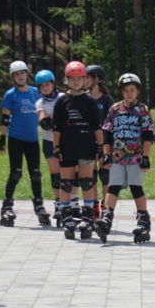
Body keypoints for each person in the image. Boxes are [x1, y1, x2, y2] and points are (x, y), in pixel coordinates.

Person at [94, 73, 154, 244]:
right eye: (126, 90)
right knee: (113, 187)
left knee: (136, 188)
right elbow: (106, 131)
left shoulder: (142, 110)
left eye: (132, 90)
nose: (129, 93)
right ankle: (107, 218)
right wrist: (106, 153)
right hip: (117, 156)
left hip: (135, 156)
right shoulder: (114, 109)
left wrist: (146, 157)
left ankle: (143, 221)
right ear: (121, 92)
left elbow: (148, 133)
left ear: (137, 91)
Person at [52, 61, 104, 240]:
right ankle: (66, 215)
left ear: (84, 80)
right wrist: (56, 147)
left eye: (79, 79)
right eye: (72, 79)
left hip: (86, 146)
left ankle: (88, 216)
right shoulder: (61, 101)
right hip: (67, 147)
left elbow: (96, 126)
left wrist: (100, 146)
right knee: (66, 182)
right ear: (67, 80)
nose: (75, 82)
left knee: (87, 182)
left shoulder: (89, 101)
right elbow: (56, 127)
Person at [0, 60, 48, 227]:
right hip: (16, 138)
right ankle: (7, 206)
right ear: (13, 77)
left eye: (22, 73)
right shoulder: (10, 95)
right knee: (16, 172)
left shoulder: (35, 92)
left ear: (27, 74)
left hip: (32, 139)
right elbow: (5, 118)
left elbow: (48, 102)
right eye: (17, 74)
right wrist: (2, 140)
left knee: (35, 173)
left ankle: (39, 206)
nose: (20, 76)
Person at [34, 69, 67, 226]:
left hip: (65, 140)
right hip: (49, 141)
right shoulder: (40, 102)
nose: (45, 87)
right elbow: (43, 120)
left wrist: (54, 120)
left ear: (53, 84)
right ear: (39, 88)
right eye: (42, 86)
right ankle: (58, 204)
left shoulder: (63, 98)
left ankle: (69, 203)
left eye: (48, 84)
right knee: (56, 176)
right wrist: (48, 120)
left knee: (67, 174)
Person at [85, 64, 115, 209]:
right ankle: (94, 206)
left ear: (97, 79)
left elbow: (112, 122)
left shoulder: (107, 99)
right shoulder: (83, 98)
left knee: (105, 176)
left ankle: (106, 206)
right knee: (91, 177)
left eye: (87, 77)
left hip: (104, 143)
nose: (84, 80)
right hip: (88, 141)